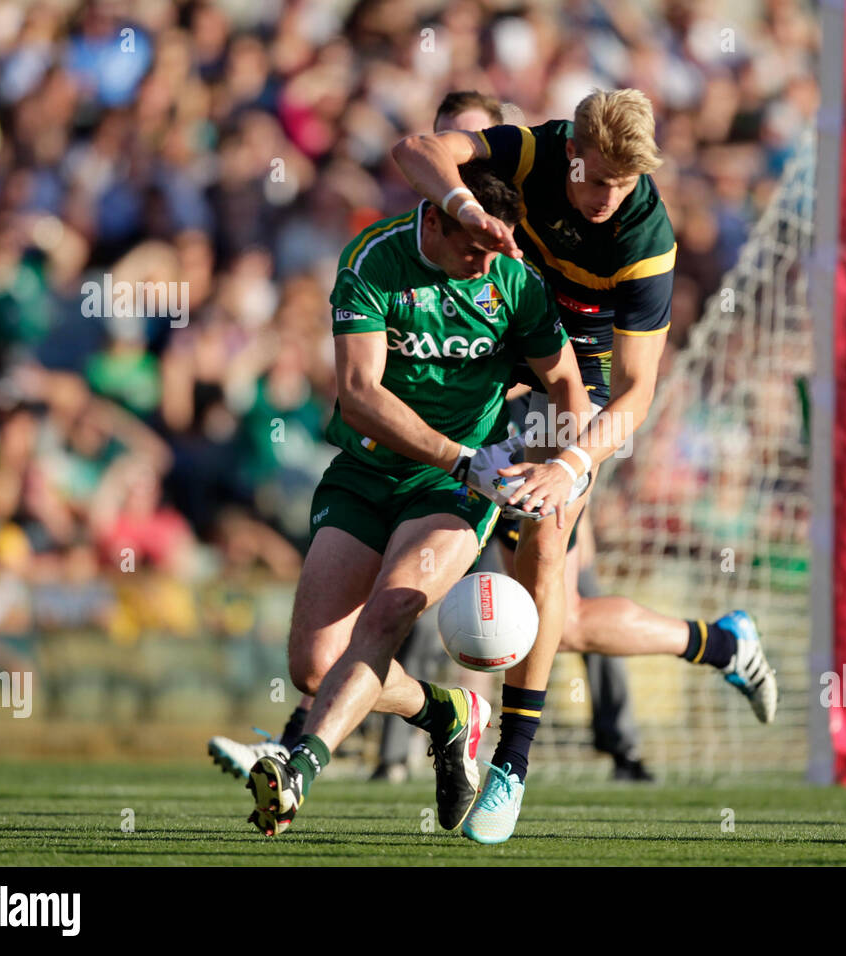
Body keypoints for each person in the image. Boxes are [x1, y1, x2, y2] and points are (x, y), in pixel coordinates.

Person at [389, 88, 778, 844]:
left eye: (622, 184)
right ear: (574, 152)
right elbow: (415, 150)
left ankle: (512, 766)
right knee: (551, 624)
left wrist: (572, 461)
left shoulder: (644, 240)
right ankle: (723, 643)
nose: (606, 198)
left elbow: (637, 391)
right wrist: (467, 208)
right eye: (596, 179)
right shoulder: (536, 149)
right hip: (499, 365)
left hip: (575, 395)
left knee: (542, 540)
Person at [244, 160, 592, 836]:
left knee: (390, 610)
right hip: (370, 472)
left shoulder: (513, 282)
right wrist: (461, 457)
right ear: (433, 218)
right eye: (472, 250)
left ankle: (299, 769)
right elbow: (360, 394)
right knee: (315, 667)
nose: (482, 266)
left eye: (495, 251)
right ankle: (447, 713)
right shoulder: (374, 259)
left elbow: (568, 386)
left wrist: (559, 467)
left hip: (453, 491)